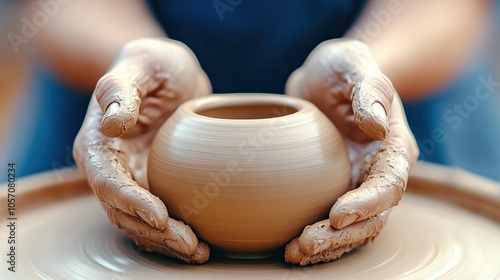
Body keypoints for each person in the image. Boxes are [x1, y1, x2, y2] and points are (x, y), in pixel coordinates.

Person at [1, 0, 496, 263]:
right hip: (139, 115)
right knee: (25, 249)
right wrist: (127, 56)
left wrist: (368, 75)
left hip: (369, 110)